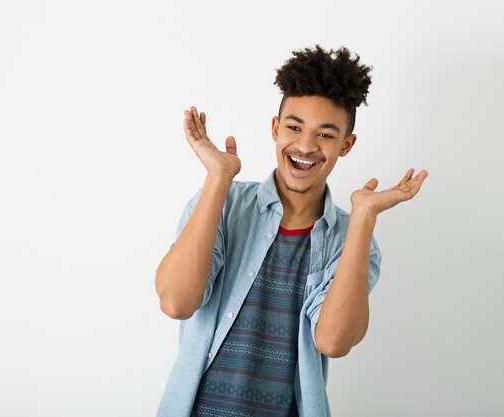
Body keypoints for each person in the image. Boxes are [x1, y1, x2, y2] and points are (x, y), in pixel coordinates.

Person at [154, 45, 428, 417]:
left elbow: (333, 341)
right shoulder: (223, 203)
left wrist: (363, 217)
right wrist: (218, 179)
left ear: (346, 145)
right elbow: (176, 302)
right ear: (274, 128)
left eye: (325, 135)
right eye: (294, 127)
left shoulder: (351, 239)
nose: (305, 146)